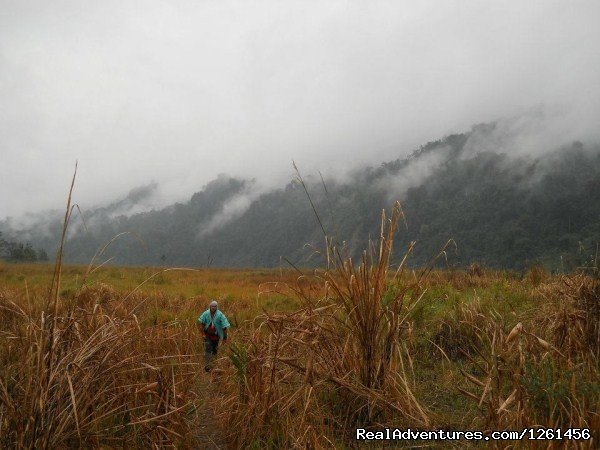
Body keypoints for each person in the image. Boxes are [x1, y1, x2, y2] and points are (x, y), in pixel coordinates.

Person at [197, 300, 230, 372]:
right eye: (212, 306)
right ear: (210, 306)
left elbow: (224, 327)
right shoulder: (206, 313)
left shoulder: (220, 315)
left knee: (215, 350)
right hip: (207, 335)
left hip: (216, 336)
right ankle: (207, 366)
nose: (213, 308)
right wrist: (203, 334)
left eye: (215, 306)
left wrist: (225, 338)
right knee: (208, 349)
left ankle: (214, 365)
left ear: (217, 307)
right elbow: (202, 323)